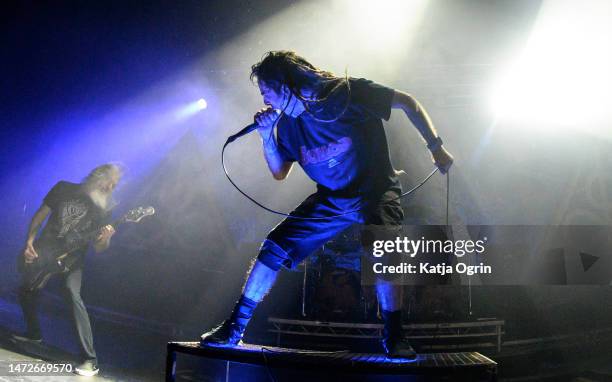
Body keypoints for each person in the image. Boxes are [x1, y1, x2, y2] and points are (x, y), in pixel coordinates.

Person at [201, 51, 453, 358]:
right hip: (331, 199)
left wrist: (435, 147)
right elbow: (280, 172)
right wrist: (267, 136)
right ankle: (234, 328)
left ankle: (395, 335)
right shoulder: (288, 124)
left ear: (286, 84)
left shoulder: (347, 93)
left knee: (382, 248)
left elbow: (407, 102)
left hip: (374, 190)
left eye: (267, 92)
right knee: (274, 247)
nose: (266, 101)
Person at [12, 163, 122, 376]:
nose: (111, 188)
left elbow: (99, 248)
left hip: (72, 260)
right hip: (45, 250)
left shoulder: (105, 208)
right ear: (97, 177)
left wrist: (106, 239)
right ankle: (34, 334)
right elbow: (40, 215)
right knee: (27, 287)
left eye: (115, 185)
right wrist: (29, 242)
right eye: (109, 182)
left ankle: (90, 360)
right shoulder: (64, 188)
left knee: (73, 295)